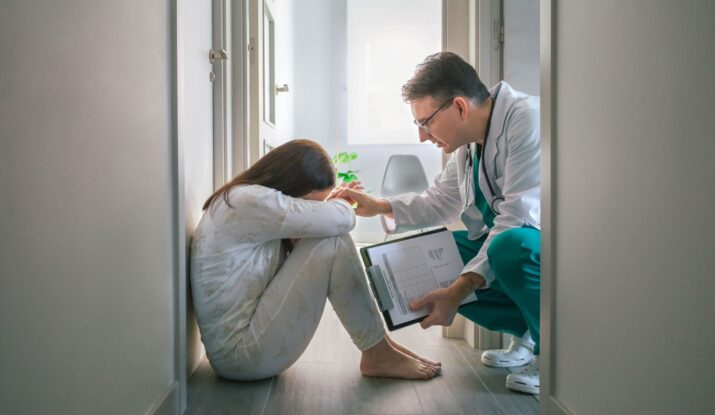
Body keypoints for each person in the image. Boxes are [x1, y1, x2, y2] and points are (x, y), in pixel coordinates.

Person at [333, 52, 541, 394]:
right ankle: (529, 332)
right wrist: (379, 205)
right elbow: (439, 201)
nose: (423, 137)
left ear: (459, 107)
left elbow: (517, 219)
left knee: (509, 246)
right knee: (429, 254)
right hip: (512, 246)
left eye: (425, 122)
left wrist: (457, 292)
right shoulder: (468, 145)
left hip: (543, 247)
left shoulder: (526, 120)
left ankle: (555, 355)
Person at [190, 139, 441, 381]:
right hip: (240, 357)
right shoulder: (249, 200)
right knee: (333, 239)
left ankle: (380, 346)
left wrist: (328, 207)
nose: (315, 208)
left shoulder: (247, 199)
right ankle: (377, 351)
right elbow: (341, 220)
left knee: (330, 236)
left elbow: (309, 234)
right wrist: (341, 203)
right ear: (295, 187)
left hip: (243, 348)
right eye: (313, 203)